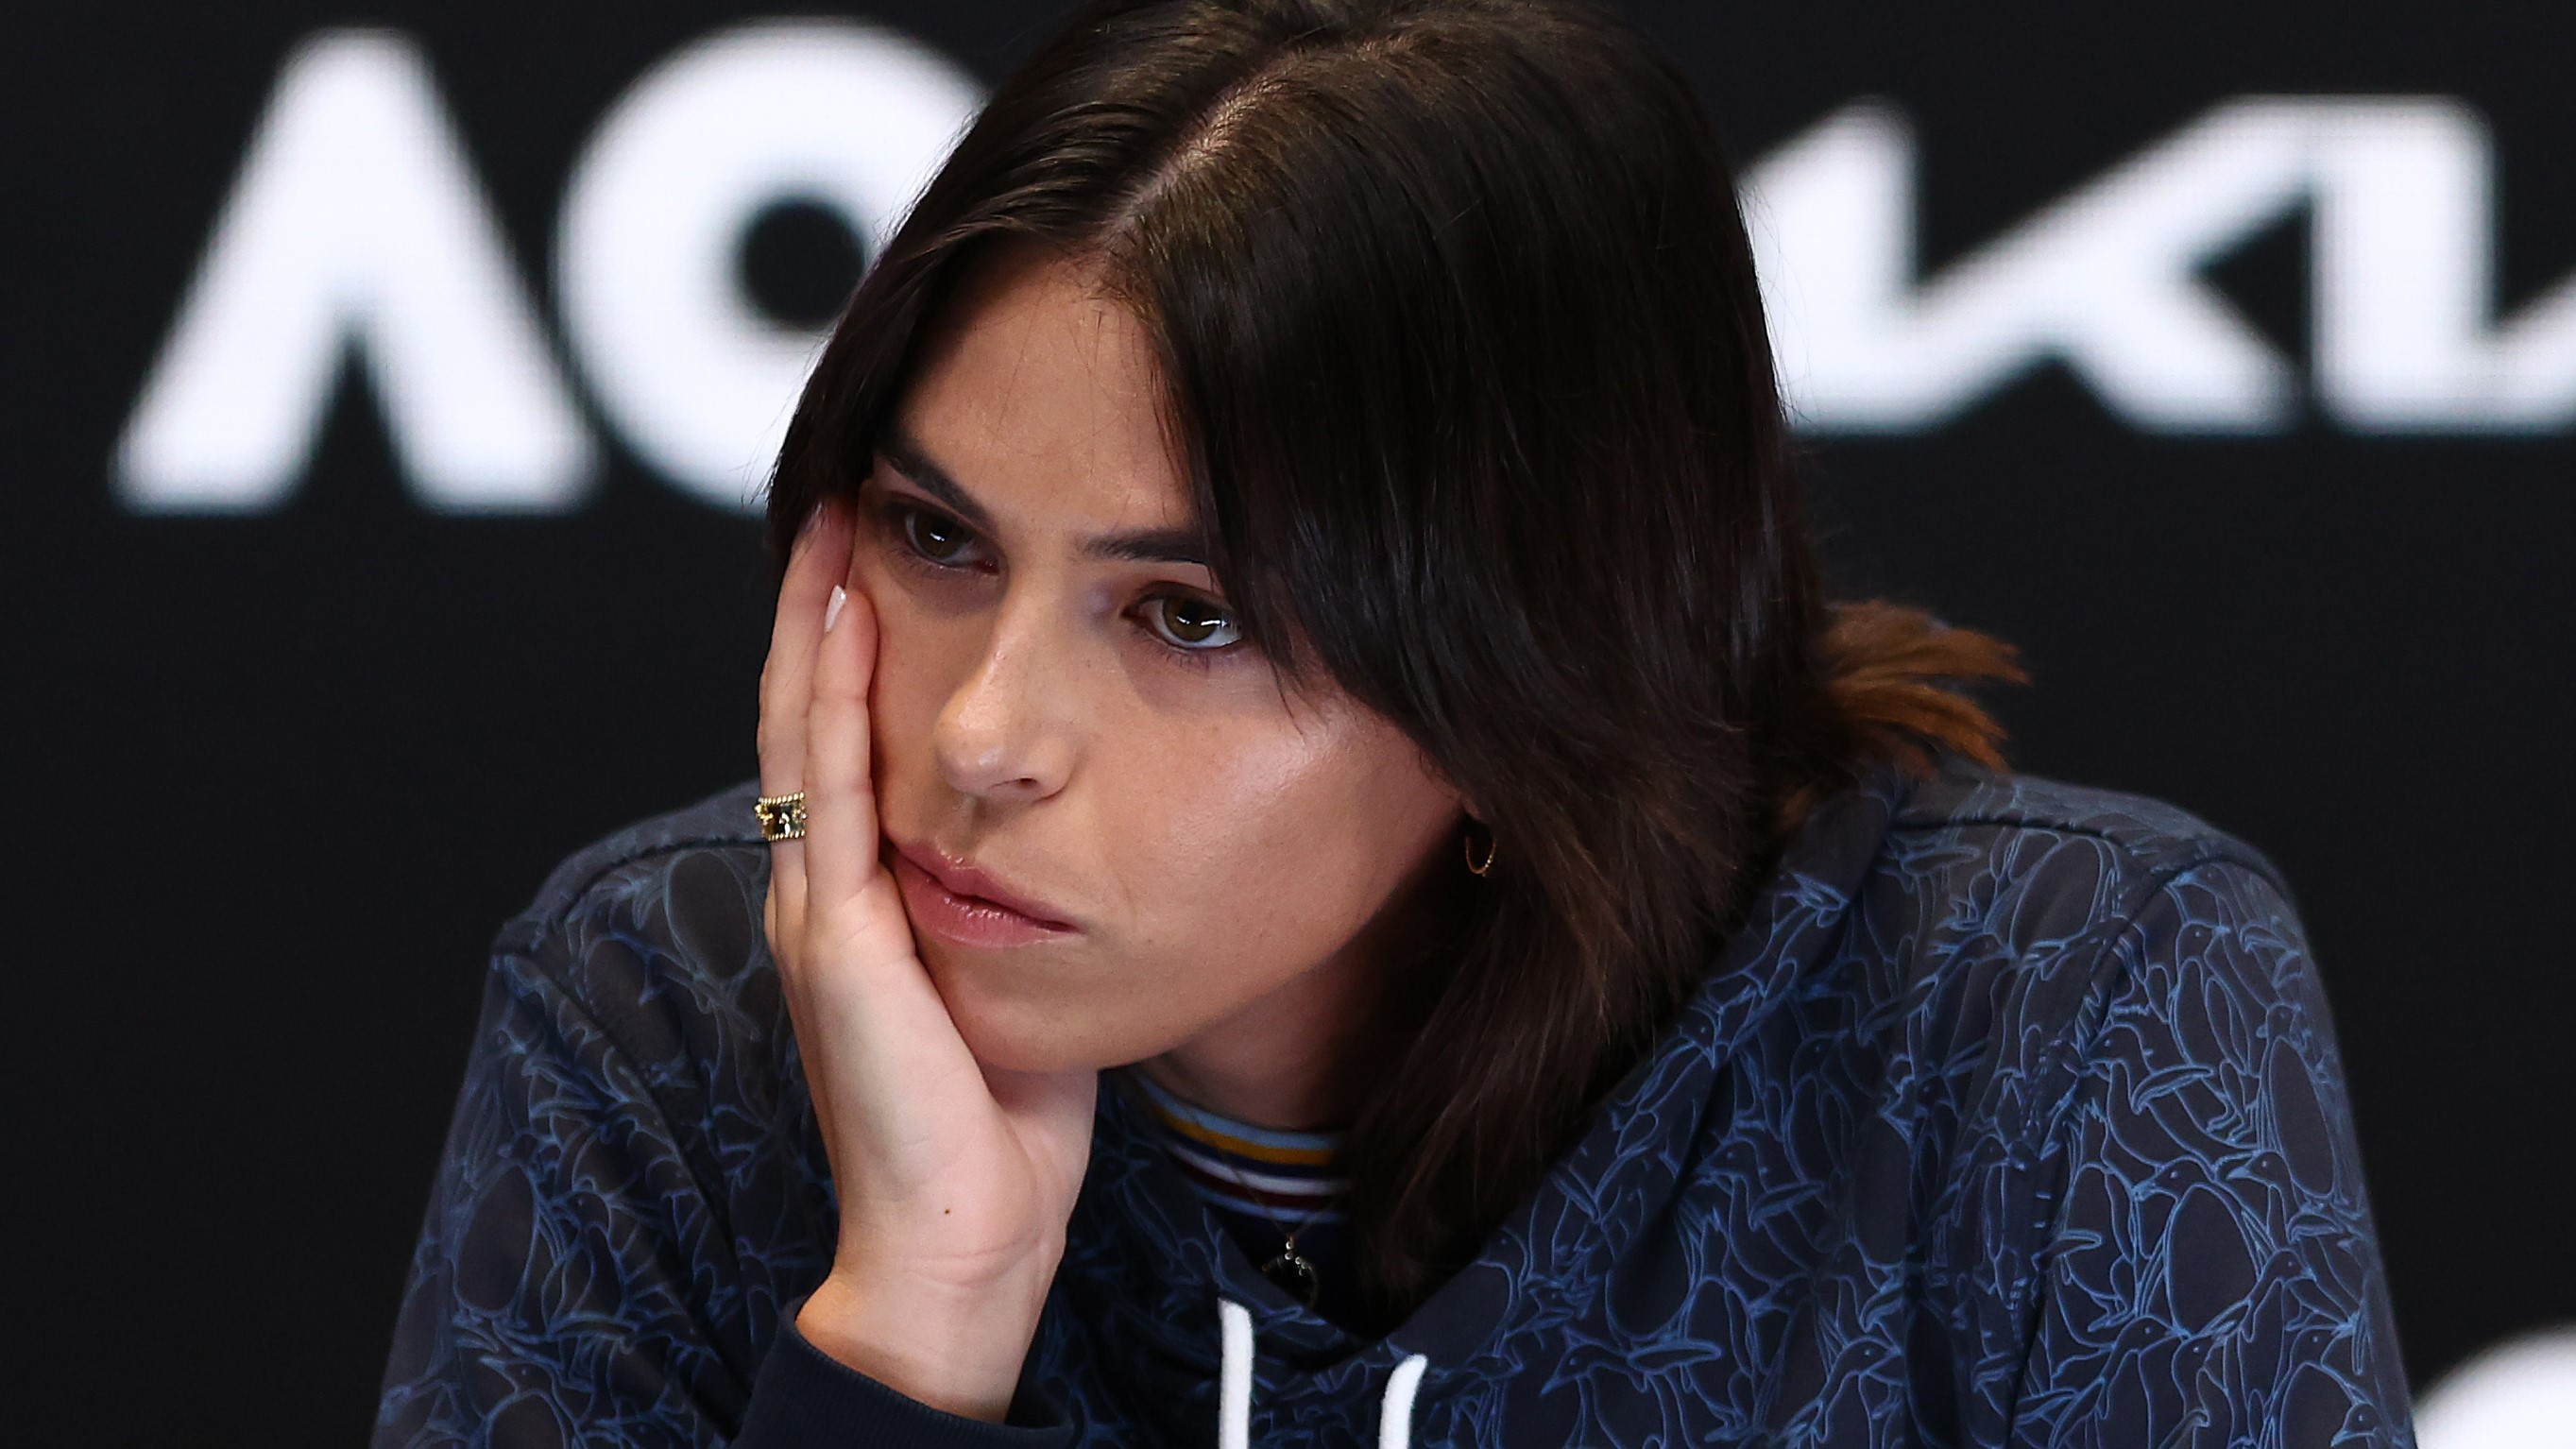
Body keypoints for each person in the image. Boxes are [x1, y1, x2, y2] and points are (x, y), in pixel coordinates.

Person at [372, 0, 2414, 1442]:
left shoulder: (2046, 1013)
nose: (983, 731)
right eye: (932, 531)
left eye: (1185, 613)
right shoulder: (662, 1009)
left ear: (1533, 650)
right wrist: (912, 1331)